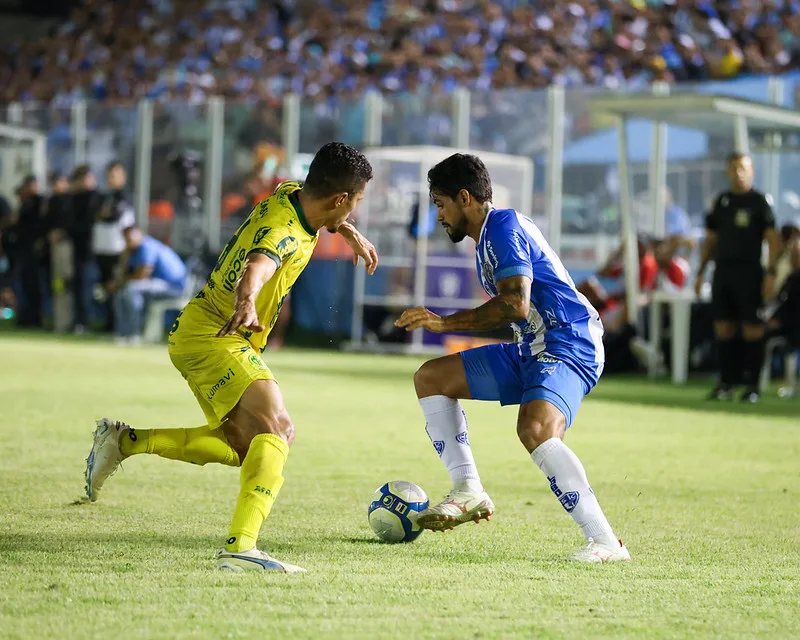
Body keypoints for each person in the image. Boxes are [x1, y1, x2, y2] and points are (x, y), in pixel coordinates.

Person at [83, 142, 378, 572]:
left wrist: (346, 229)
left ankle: (125, 441)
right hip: (216, 334)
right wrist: (246, 298)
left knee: (246, 446)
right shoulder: (284, 230)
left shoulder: (291, 194)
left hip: (206, 332)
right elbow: (259, 262)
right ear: (340, 198)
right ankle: (241, 548)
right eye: (355, 203)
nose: (354, 211)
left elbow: (308, 212)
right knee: (278, 428)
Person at [395, 154, 629, 563]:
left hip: (568, 341)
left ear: (464, 197)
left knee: (536, 428)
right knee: (431, 378)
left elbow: (515, 305)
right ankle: (468, 489)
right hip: (531, 347)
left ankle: (605, 541)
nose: (439, 216)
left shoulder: (502, 228)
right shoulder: (488, 237)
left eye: (440, 204)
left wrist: (442, 323)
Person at [694, 152, 781, 402]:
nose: (738, 172)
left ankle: (752, 386)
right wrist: (700, 272)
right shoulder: (722, 202)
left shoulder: (760, 201)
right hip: (723, 271)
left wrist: (772, 273)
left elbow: (772, 239)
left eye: (743, 168)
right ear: (727, 171)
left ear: (751, 171)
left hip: (750, 271)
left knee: (752, 328)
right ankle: (726, 383)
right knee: (723, 327)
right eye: (733, 168)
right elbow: (711, 240)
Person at [110, 226, 188, 344]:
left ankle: (134, 333)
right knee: (121, 293)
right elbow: (124, 271)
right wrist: (125, 254)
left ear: (139, 234)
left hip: (173, 287)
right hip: (160, 286)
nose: (128, 241)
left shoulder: (146, 245)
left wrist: (121, 283)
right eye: (126, 239)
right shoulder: (135, 250)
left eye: (130, 237)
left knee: (131, 289)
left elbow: (142, 274)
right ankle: (122, 334)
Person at [94, 161, 136, 333]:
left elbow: (115, 216)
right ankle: (108, 323)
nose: (111, 179)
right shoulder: (105, 197)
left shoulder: (124, 196)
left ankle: (117, 325)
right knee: (104, 288)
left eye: (115, 175)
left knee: (115, 287)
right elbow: (96, 214)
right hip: (102, 249)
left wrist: (105, 215)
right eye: (109, 175)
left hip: (117, 249)